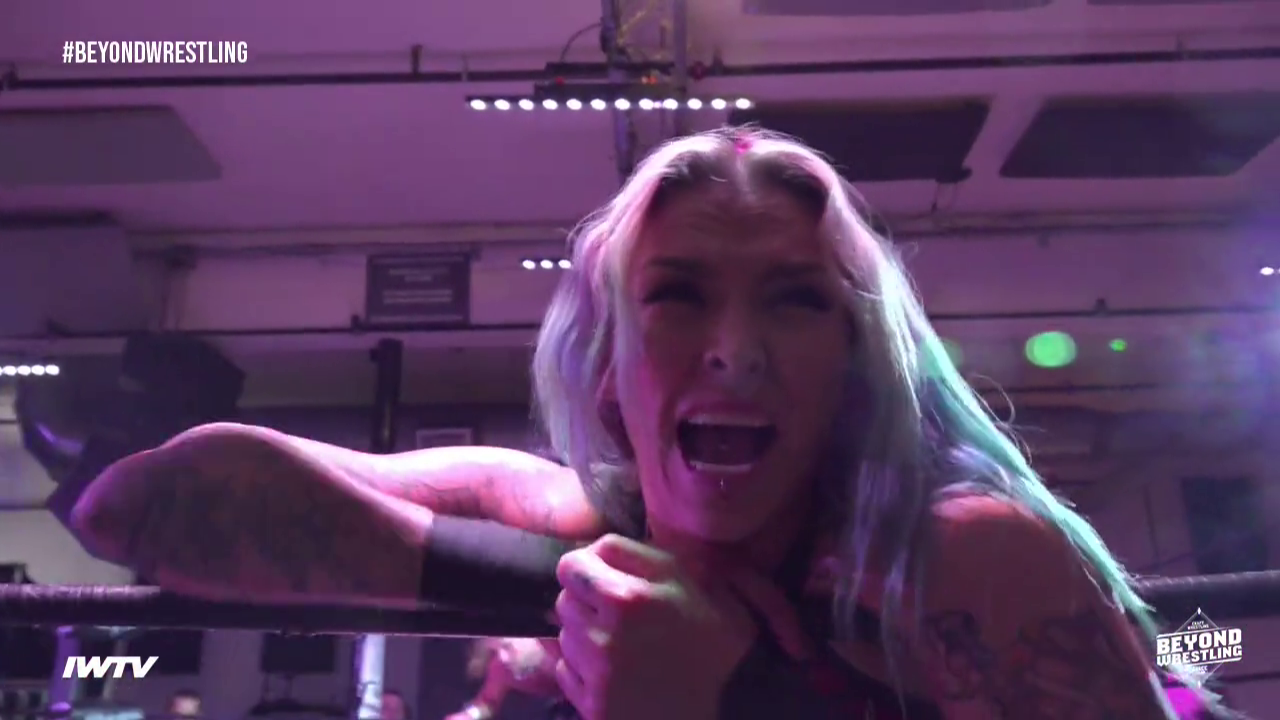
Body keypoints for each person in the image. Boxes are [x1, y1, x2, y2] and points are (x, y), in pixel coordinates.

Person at [67, 126, 1223, 719]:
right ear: (607, 378)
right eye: (677, 296)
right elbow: (143, 506)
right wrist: (532, 577)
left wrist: (736, 699)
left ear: (851, 369)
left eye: (793, 301)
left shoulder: (957, 559)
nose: (734, 350)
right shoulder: (582, 524)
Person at [444, 638, 560, 720]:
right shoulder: (502, 668)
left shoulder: (561, 638)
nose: (503, 658)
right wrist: (468, 716)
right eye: (496, 650)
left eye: (506, 647)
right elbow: (488, 703)